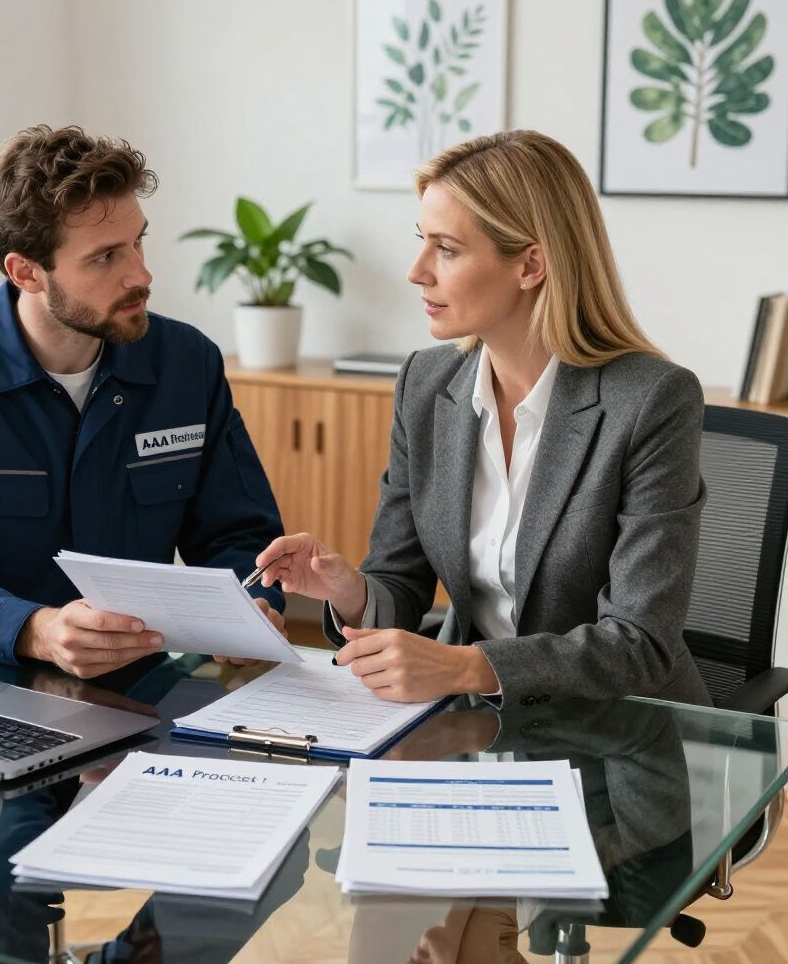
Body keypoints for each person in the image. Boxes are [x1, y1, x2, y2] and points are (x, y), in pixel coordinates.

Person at [253, 129, 710, 707]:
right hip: (476, 721)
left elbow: (640, 645)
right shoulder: (426, 384)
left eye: (446, 249)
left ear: (530, 266)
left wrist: (464, 666)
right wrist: (349, 591)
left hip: (619, 734)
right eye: (422, 241)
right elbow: (402, 584)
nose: (416, 270)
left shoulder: (650, 400)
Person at [0, 124, 284, 679]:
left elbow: (239, 535)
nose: (142, 275)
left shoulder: (187, 363)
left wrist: (248, 607)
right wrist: (34, 630)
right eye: (104, 258)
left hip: (146, 686)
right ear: (26, 272)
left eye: (138, 242)